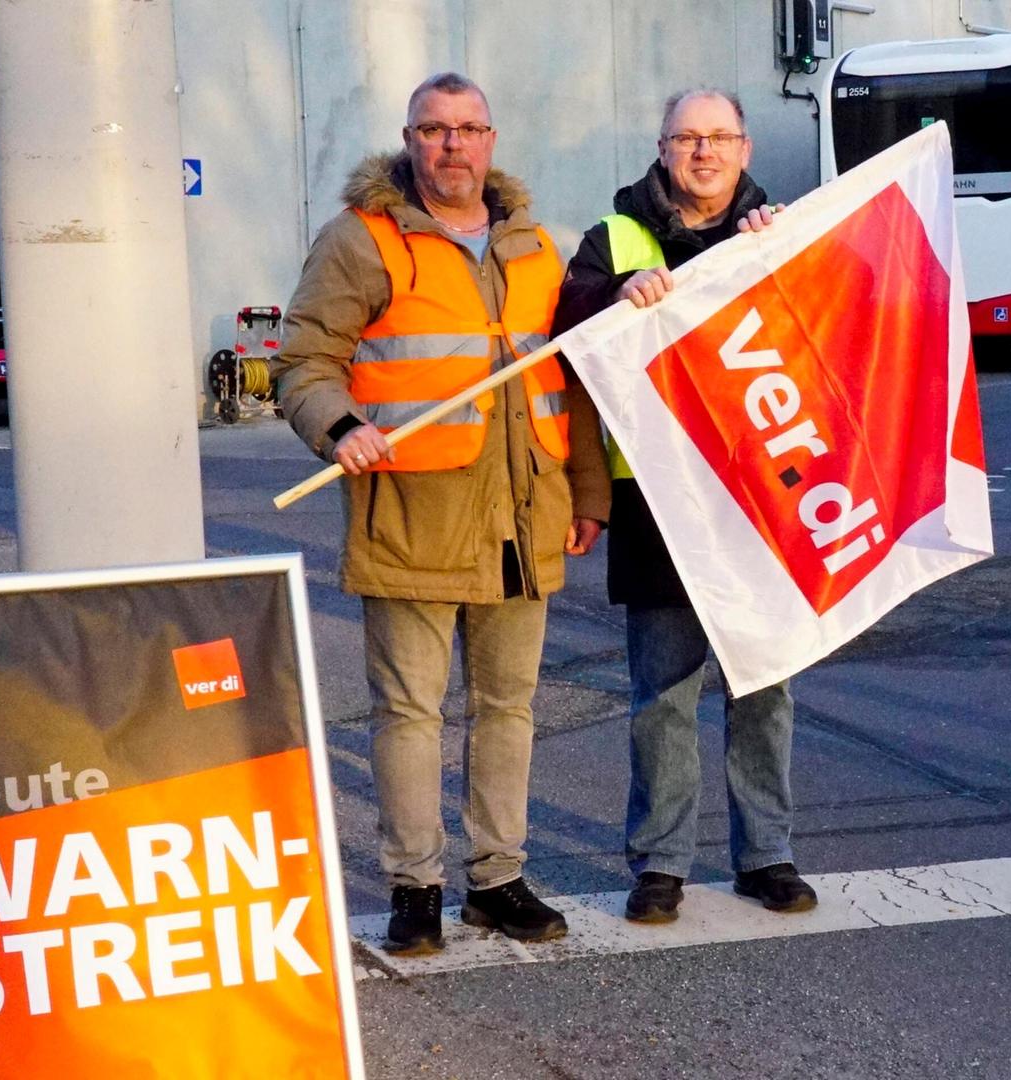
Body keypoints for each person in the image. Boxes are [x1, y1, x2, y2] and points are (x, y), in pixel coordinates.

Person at [273, 72, 609, 953]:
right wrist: (337, 423)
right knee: (409, 714)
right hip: (412, 513)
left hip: (521, 518)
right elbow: (304, 357)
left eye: (468, 129)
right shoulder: (362, 240)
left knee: (508, 708)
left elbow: (571, 381)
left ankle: (497, 879)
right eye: (433, 130)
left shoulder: (537, 247)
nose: (452, 146)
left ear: (491, 141)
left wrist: (587, 495)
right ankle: (415, 886)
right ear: (409, 141)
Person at [552, 88, 814, 924]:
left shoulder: (782, 233)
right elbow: (566, 333)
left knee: (763, 688)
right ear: (662, 148)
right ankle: (660, 864)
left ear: (743, 148)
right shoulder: (614, 237)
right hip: (657, 499)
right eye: (687, 138)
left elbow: (827, 335)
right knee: (662, 694)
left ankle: (766, 854)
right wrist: (617, 293)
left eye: (719, 137)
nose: (704, 152)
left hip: (762, 495)